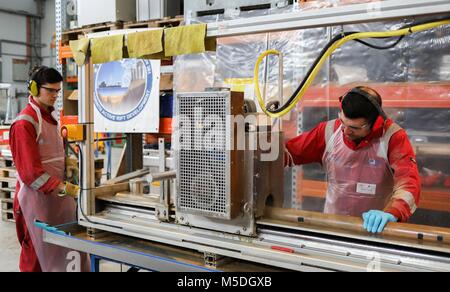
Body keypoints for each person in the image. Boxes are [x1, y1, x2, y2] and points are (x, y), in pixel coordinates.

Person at [285, 86, 421, 234]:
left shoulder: (393, 138)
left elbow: (408, 184)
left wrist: (392, 212)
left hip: (377, 230)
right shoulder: (329, 131)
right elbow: (289, 153)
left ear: (375, 122)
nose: (345, 131)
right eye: (342, 122)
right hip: (332, 228)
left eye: (354, 128)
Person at [10, 66, 88, 272]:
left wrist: (68, 164)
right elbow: (30, 174)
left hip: (55, 200)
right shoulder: (25, 123)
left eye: (57, 91)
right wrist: (66, 189)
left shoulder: (51, 118)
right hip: (34, 203)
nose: (55, 95)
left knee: (60, 255)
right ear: (34, 89)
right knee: (35, 256)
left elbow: (52, 154)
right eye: (50, 91)